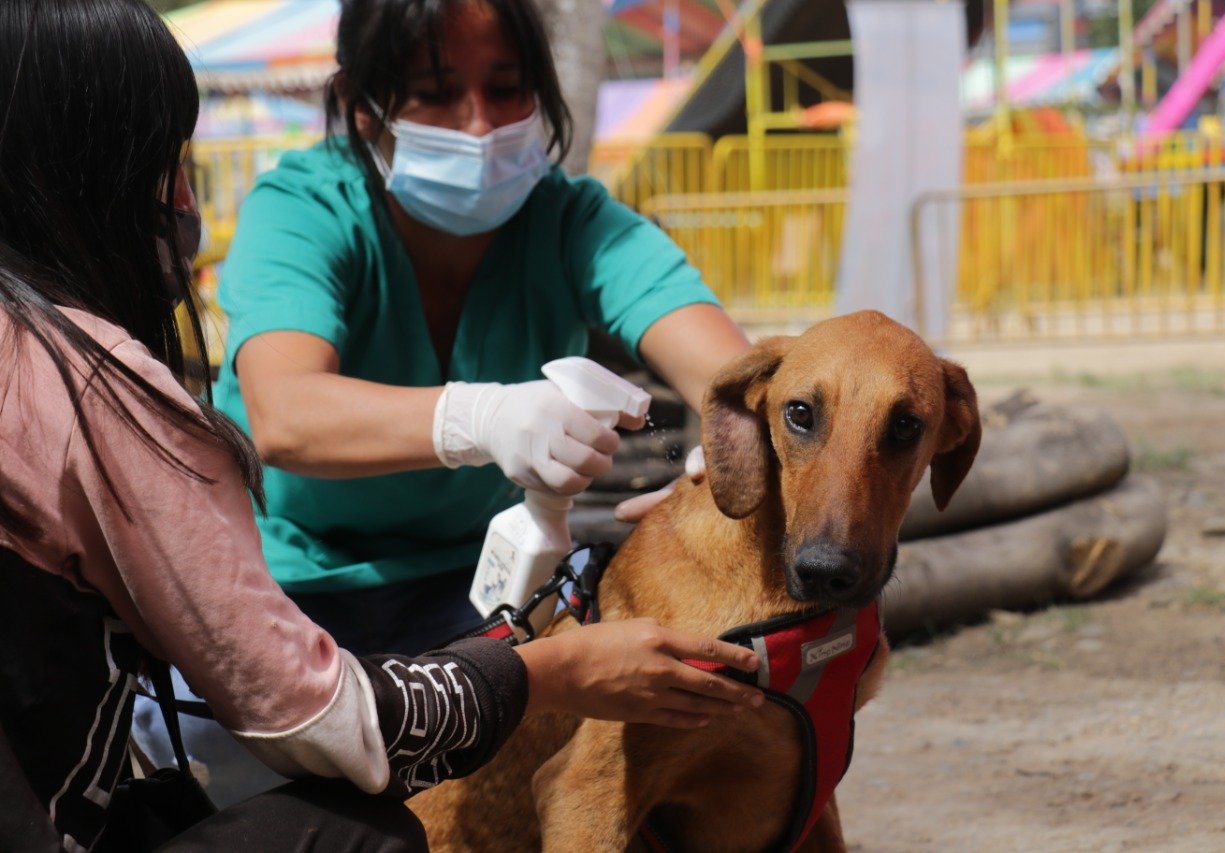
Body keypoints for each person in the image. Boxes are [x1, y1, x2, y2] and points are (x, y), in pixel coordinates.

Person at [0, 1, 765, 849]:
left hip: (473, 590)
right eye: (436, 94)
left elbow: (739, 385)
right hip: (296, 602)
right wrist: (485, 415)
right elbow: (287, 417)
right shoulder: (294, 218)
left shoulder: (576, 223)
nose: (480, 126)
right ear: (363, 106)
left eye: (507, 89)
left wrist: (725, 448)